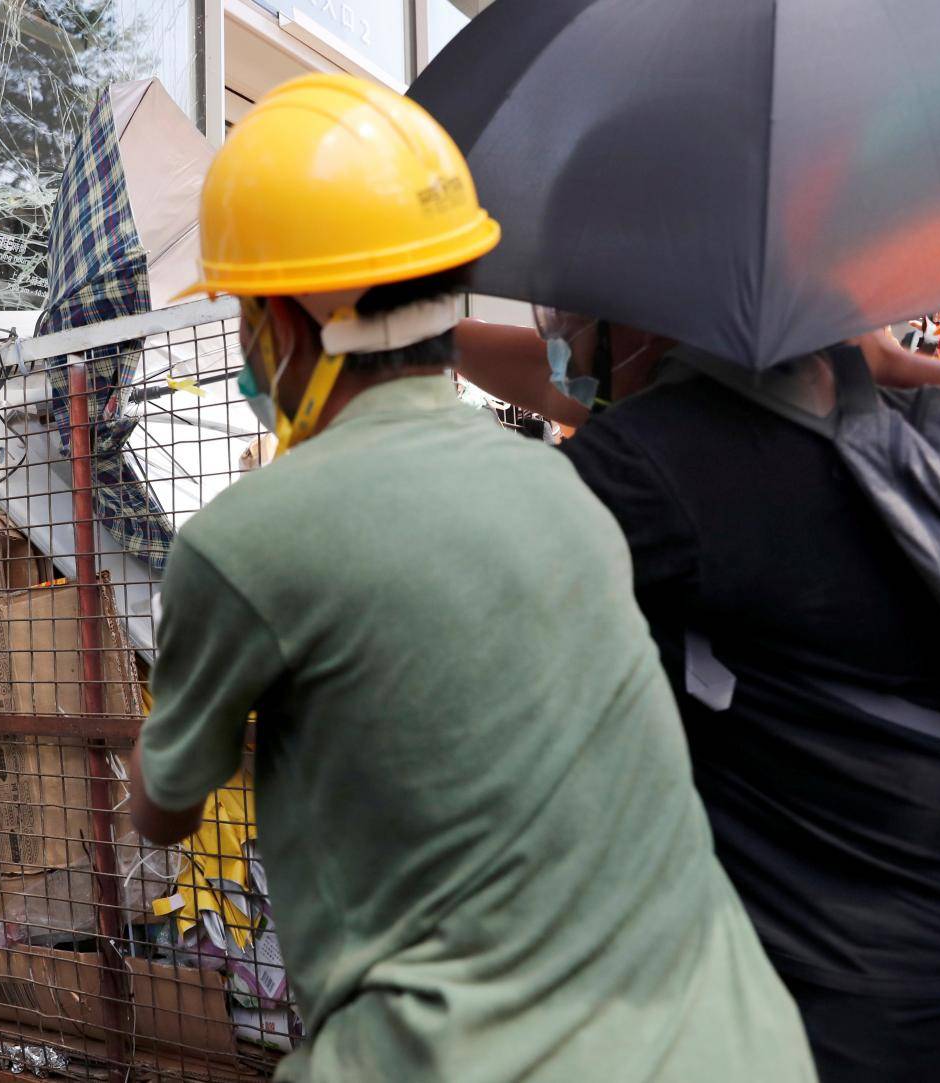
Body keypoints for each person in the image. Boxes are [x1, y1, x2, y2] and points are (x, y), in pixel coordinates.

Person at [126, 74, 816, 1083]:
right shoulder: (565, 491)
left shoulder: (248, 544)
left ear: (291, 317)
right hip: (739, 1043)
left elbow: (167, 804)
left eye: (241, 307)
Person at [457, 312, 940, 1082]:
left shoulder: (650, 466)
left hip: (868, 1012)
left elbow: (460, 618)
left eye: (566, 314)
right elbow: (579, 386)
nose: (556, 339)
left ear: (633, 316)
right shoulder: (883, 421)